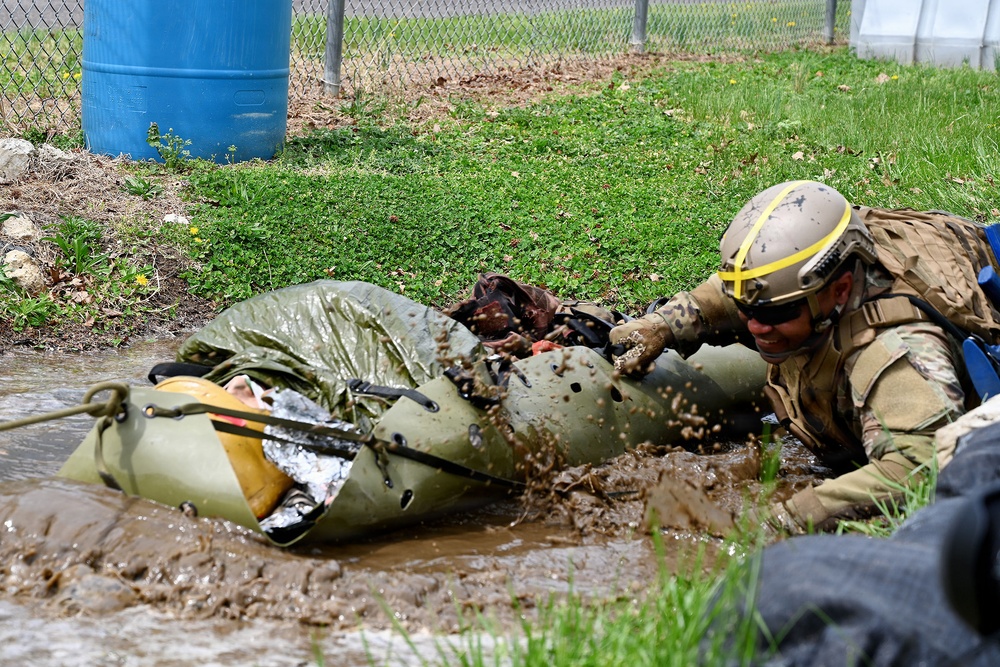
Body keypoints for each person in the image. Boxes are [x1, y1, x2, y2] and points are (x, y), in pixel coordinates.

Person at [610, 179, 1000, 532]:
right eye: (749, 312)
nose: (756, 327)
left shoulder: (893, 351)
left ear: (840, 290)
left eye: (777, 313)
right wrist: (666, 323)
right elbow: (744, 292)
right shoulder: (804, 275)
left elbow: (916, 467)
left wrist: (786, 518)